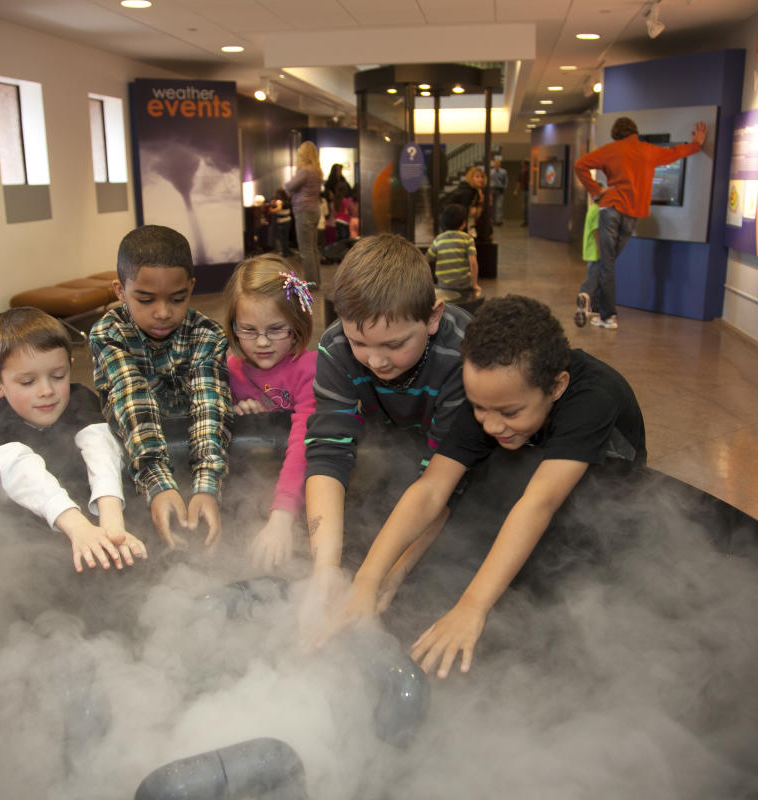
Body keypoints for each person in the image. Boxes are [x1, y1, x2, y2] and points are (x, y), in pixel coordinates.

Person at [334, 295, 645, 678]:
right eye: (480, 408)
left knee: (575, 572)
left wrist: (472, 606)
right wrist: (368, 580)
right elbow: (432, 489)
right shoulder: (489, 394)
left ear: (557, 386)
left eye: (509, 412)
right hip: (532, 466)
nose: (492, 424)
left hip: (603, 487)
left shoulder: (592, 397)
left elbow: (540, 502)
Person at [304, 233, 471, 600]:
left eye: (394, 345)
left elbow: (442, 484)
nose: (376, 361)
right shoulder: (336, 348)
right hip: (397, 439)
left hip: (449, 463)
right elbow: (328, 454)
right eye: (359, 343)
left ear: (432, 317)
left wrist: (390, 576)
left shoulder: (463, 354)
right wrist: (325, 570)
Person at [0, 307, 148, 573]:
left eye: (58, 376)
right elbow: (24, 472)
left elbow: (101, 451)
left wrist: (112, 525)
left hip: (87, 501)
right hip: (35, 525)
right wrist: (79, 527)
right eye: (27, 382)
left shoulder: (79, 399)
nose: (47, 391)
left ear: (70, 367)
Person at [90, 225, 232, 550]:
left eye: (177, 298)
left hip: (195, 454)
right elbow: (133, 402)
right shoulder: (109, 334)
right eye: (146, 299)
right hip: (136, 461)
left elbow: (210, 410)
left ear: (191, 288)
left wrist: (207, 485)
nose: (163, 312)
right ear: (120, 291)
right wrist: (158, 483)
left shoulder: (207, 336)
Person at [224, 255, 318, 570]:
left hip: (298, 497)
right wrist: (235, 415)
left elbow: (305, 440)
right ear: (233, 327)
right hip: (247, 496)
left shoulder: (309, 369)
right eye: (248, 330)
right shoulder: (229, 370)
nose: (262, 342)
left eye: (276, 329)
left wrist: (282, 516)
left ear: (298, 324)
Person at [574, 117, 708, 330]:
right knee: (609, 262)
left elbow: (580, 165)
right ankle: (600, 310)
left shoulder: (611, 150)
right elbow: (675, 153)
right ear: (634, 131)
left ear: (616, 133)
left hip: (610, 208)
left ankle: (597, 305)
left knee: (606, 262)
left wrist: (597, 191)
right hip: (632, 213)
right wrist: (696, 145)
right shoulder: (648, 150)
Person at [285, 142, 325, 288]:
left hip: (304, 211)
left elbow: (289, 186)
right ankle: (316, 282)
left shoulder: (306, 171)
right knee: (313, 249)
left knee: (306, 251)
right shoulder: (316, 171)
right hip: (314, 210)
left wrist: (290, 190)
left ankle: (310, 284)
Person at [427, 203, 480, 295]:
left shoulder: (439, 239)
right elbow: (473, 262)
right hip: (464, 285)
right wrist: (474, 284)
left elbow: (426, 259)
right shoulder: (467, 239)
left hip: (444, 286)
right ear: (463, 223)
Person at [446, 165, 490, 242]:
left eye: (482, 177)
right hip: (456, 224)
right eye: (477, 177)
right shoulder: (468, 191)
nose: (480, 179)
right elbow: (464, 211)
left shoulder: (476, 191)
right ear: (471, 178)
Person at [575, 203, 601, 328]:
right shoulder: (597, 211)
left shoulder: (592, 209)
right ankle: (584, 296)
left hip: (590, 251)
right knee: (593, 279)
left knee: (596, 278)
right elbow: (597, 232)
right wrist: (602, 250)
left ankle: (594, 307)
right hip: (595, 252)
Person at [270, 188, 292, 256]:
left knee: (279, 238)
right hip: (288, 220)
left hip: (281, 221)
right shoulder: (287, 200)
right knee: (286, 238)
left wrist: (271, 210)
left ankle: (281, 252)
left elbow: (278, 208)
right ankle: (286, 251)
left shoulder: (279, 201)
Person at [488, 155, 508, 226]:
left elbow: (505, 181)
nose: (496, 164)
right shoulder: (491, 172)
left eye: (498, 163)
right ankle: (493, 220)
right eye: (495, 163)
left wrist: (504, 187)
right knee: (492, 206)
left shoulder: (503, 172)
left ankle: (498, 220)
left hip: (500, 189)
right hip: (492, 189)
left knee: (499, 206)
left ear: (499, 164)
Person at [514, 161, 530, 226]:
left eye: (523, 164)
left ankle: (529, 221)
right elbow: (519, 181)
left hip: (529, 190)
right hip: (524, 190)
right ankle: (525, 221)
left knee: (528, 206)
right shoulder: (521, 172)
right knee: (524, 207)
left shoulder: (529, 172)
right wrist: (516, 190)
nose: (522, 165)